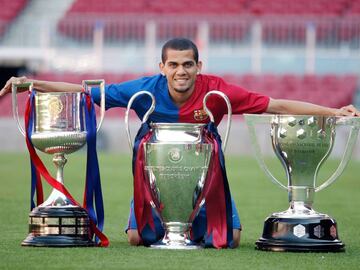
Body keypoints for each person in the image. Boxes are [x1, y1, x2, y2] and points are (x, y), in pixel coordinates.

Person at [1, 38, 359, 249]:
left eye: (188, 64)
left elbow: (276, 105)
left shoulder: (217, 91)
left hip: (206, 182)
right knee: (136, 240)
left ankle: (204, 219)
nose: (181, 71)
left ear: (198, 65)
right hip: (156, 181)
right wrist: (33, 82)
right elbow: (84, 91)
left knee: (230, 240)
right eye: (173, 65)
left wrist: (334, 110)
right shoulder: (144, 89)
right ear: (162, 66)